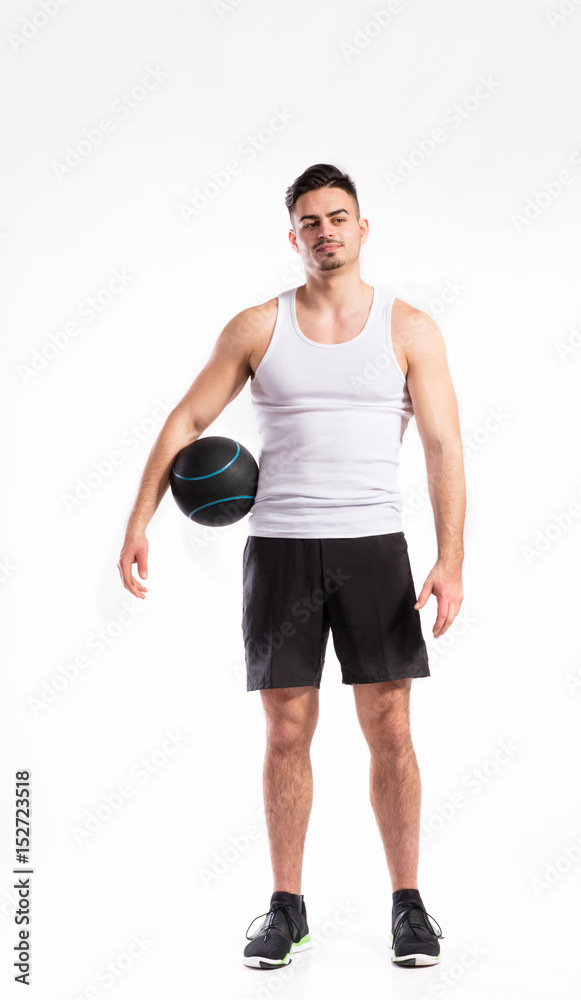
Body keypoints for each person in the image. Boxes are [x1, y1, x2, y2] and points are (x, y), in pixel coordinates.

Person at [117, 163, 465, 969]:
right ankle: (285, 907)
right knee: (284, 732)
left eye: (338, 217)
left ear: (362, 227)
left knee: (390, 727)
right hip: (278, 549)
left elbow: (445, 445)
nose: (326, 232)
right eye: (310, 222)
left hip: (375, 545)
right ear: (293, 237)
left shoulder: (410, 328)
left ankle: (407, 905)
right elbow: (186, 419)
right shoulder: (255, 328)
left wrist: (451, 558)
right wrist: (139, 521)